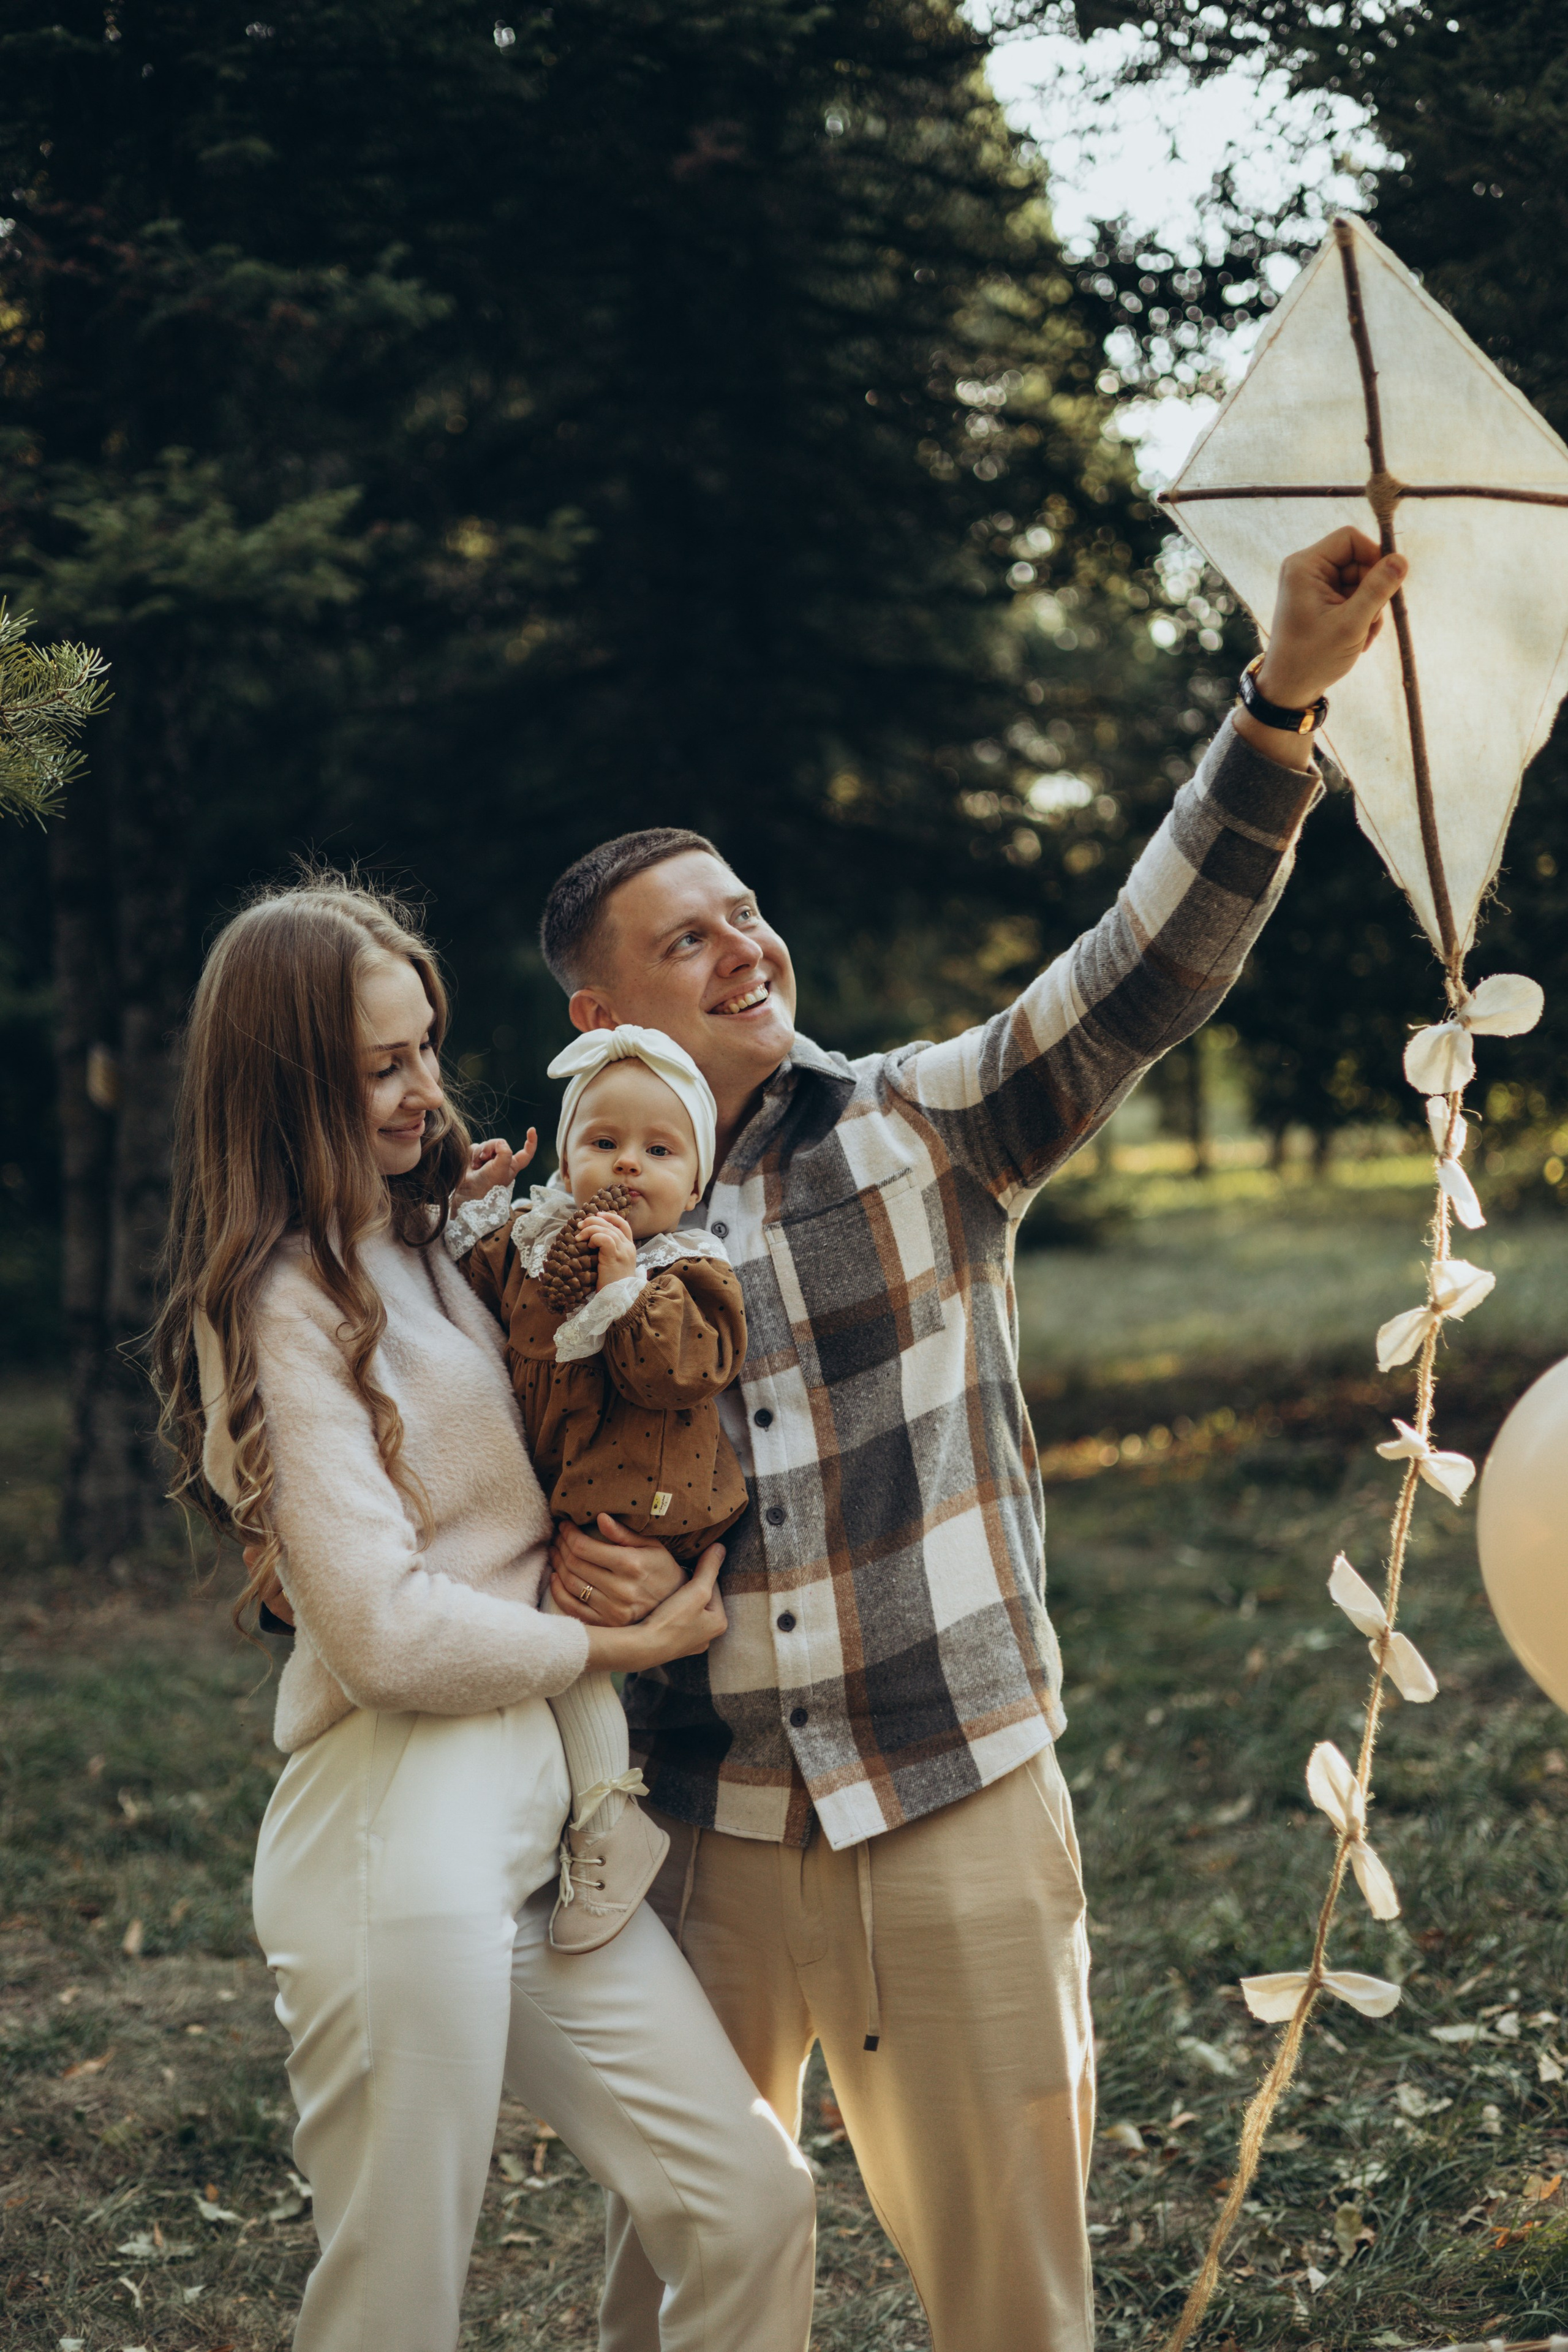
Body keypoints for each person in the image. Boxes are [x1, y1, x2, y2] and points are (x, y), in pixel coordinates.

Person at [497, 529, 1409, 2351]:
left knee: (1015, 2301)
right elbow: (451, 1473)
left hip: (954, 1794)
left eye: (745, 911)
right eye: (689, 940)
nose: (745, 945)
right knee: (681, 2298)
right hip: (691, 1829)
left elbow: (1143, 969)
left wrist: (1282, 697)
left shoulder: (931, 1125)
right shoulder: (538, 1244)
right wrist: (561, 1569)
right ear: (601, 1018)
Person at [151, 878, 815, 2352]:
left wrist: (482, 1242)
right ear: (290, 1087)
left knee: (749, 2206)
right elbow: (380, 1629)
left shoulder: (419, 1245)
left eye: (425, 1049)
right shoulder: (274, 1303)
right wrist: (613, 1642)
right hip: (403, 1829)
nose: (422, 1090)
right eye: (379, 1067)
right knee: (399, 2303)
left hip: (546, 1814)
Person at [445, 1023, 750, 1952]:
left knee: (578, 1651)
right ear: (567, 1154)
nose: (627, 1167)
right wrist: (472, 1208)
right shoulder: (540, 1247)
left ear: (694, 1183)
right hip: (564, 1491)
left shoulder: (688, 1272)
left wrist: (625, 1288)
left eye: (659, 1151)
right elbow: (464, 1291)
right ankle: (569, 1812)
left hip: (648, 1502)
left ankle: (610, 1824)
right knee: (553, 1660)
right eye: (603, 1142)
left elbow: (678, 1375)